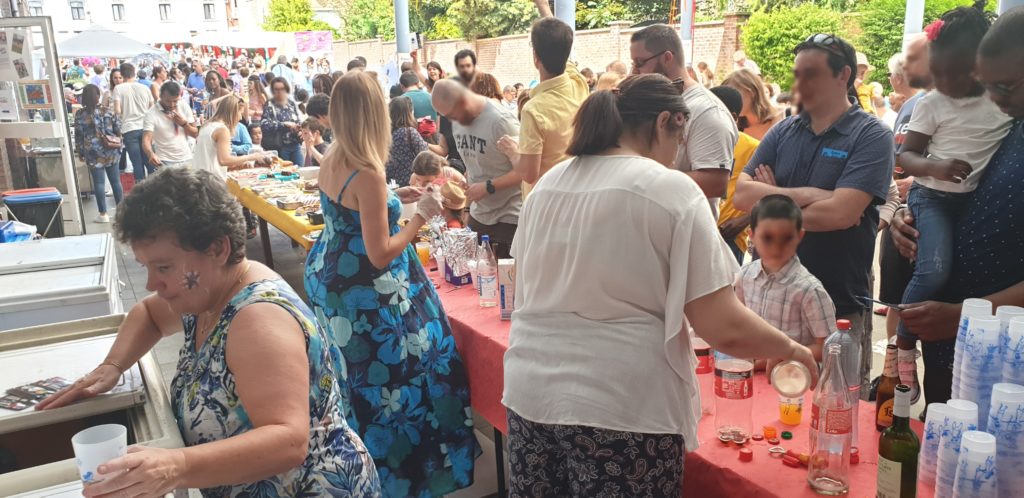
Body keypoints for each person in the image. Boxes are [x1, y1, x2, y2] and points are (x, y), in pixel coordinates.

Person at [503, 74, 818, 496]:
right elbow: (721, 325)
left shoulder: (548, 185)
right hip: (622, 409)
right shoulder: (670, 189)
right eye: (679, 140)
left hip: (531, 397)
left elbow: (525, 288)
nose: (677, 155)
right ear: (665, 122)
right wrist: (792, 348)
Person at [37, 167, 381, 497]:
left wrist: (176, 466)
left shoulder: (257, 319)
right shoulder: (205, 293)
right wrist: (112, 366)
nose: (152, 283)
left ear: (217, 249)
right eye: (147, 267)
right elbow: (148, 315)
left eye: (163, 267)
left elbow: (288, 442)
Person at [302, 71, 479, 497]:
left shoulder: (334, 155)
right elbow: (380, 252)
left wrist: (396, 195)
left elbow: (354, 208)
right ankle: (414, 474)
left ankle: (371, 468)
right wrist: (421, 218)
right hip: (370, 292)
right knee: (416, 371)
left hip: (332, 279)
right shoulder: (366, 172)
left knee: (358, 379)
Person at [733, 33, 895, 397]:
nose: (799, 84)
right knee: (765, 409)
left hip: (838, 304)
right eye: (797, 73)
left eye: (812, 74)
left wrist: (773, 197)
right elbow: (741, 195)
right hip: (769, 301)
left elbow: (842, 213)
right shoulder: (785, 129)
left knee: (834, 408)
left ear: (844, 75)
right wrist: (811, 195)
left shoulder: (871, 136)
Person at [887, 5, 1024, 406]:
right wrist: (905, 216)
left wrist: (965, 314)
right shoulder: (1010, 117)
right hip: (950, 341)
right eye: (990, 85)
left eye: (1005, 86)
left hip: (1002, 351)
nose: (996, 98)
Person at [630, 24, 738, 216]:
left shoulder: (707, 111)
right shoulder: (654, 101)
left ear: (667, 58)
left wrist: (643, 183)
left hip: (684, 228)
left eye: (640, 63)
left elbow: (715, 182)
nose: (634, 72)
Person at [735, 195, 836, 365]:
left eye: (786, 238)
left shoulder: (809, 290)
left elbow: (828, 347)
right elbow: (738, 323)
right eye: (767, 238)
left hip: (792, 376)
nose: (776, 247)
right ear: (751, 235)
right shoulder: (744, 276)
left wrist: (783, 356)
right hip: (749, 371)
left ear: (799, 236)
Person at [497, 17, 589, 193]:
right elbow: (561, 43)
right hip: (576, 191)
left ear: (535, 57)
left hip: (545, 200)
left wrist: (512, 151)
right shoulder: (578, 83)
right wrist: (544, 7)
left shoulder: (533, 110)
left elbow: (529, 173)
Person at [432, 79, 522, 258]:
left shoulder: (501, 121)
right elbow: (472, 166)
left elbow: (525, 171)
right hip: (477, 216)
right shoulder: (457, 123)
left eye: (451, 114)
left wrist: (489, 186)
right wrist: (466, 208)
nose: (451, 120)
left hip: (507, 218)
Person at [709, 85, 759, 263]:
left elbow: (768, 194)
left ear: (734, 117)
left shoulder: (753, 147)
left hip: (730, 237)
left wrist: (744, 220)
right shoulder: (699, 142)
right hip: (701, 228)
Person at [74, 84, 124, 223]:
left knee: (99, 183)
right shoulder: (108, 111)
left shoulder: (80, 114)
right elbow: (118, 129)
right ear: (98, 96)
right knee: (116, 181)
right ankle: (121, 213)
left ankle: (103, 214)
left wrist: (80, 151)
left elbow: (78, 135)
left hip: (92, 152)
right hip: (111, 149)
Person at [194, 95, 267, 180]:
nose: (240, 118)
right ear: (233, 112)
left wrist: (240, 162)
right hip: (211, 180)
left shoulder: (207, 126)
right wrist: (251, 157)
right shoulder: (222, 130)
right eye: (240, 113)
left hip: (200, 177)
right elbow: (224, 160)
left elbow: (213, 157)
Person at [385, 96, 442, 186]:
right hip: (411, 183)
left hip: (391, 184)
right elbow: (426, 156)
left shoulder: (385, 135)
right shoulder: (409, 132)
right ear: (409, 112)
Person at [143, 81, 199, 169]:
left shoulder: (183, 106)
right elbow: (146, 139)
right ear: (160, 96)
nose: (172, 104)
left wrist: (184, 124)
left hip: (187, 158)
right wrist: (150, 154)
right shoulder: (151, 113)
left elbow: (196, 134)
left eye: (175, 101)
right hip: (164, 161)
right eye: (168, 101)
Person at [114, 63, 155, 182]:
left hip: (129, 128)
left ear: (122, 74)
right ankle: (155, 184)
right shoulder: (145, 88)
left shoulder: (118, 89)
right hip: (146, 127)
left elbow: (117, 111)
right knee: (149, 158)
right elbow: (152, 108)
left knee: (136, 162)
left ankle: (141, 187)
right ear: (134, 73)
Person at [723, 68, 784, 140]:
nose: (730, 101)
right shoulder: (734, 125)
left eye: (733, 95)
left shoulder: (782, 117)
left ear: (752, 93)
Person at [261, 77, 304, 165]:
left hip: (295, 144)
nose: (279, 92)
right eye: (276, 89)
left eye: (282, 89)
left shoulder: (291, 103)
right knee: (284, 170)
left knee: (300, 169)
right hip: (280, 146)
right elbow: (264, 125)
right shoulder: (269, 105)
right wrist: (283, 124)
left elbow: (298, 120)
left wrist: (299, 129)